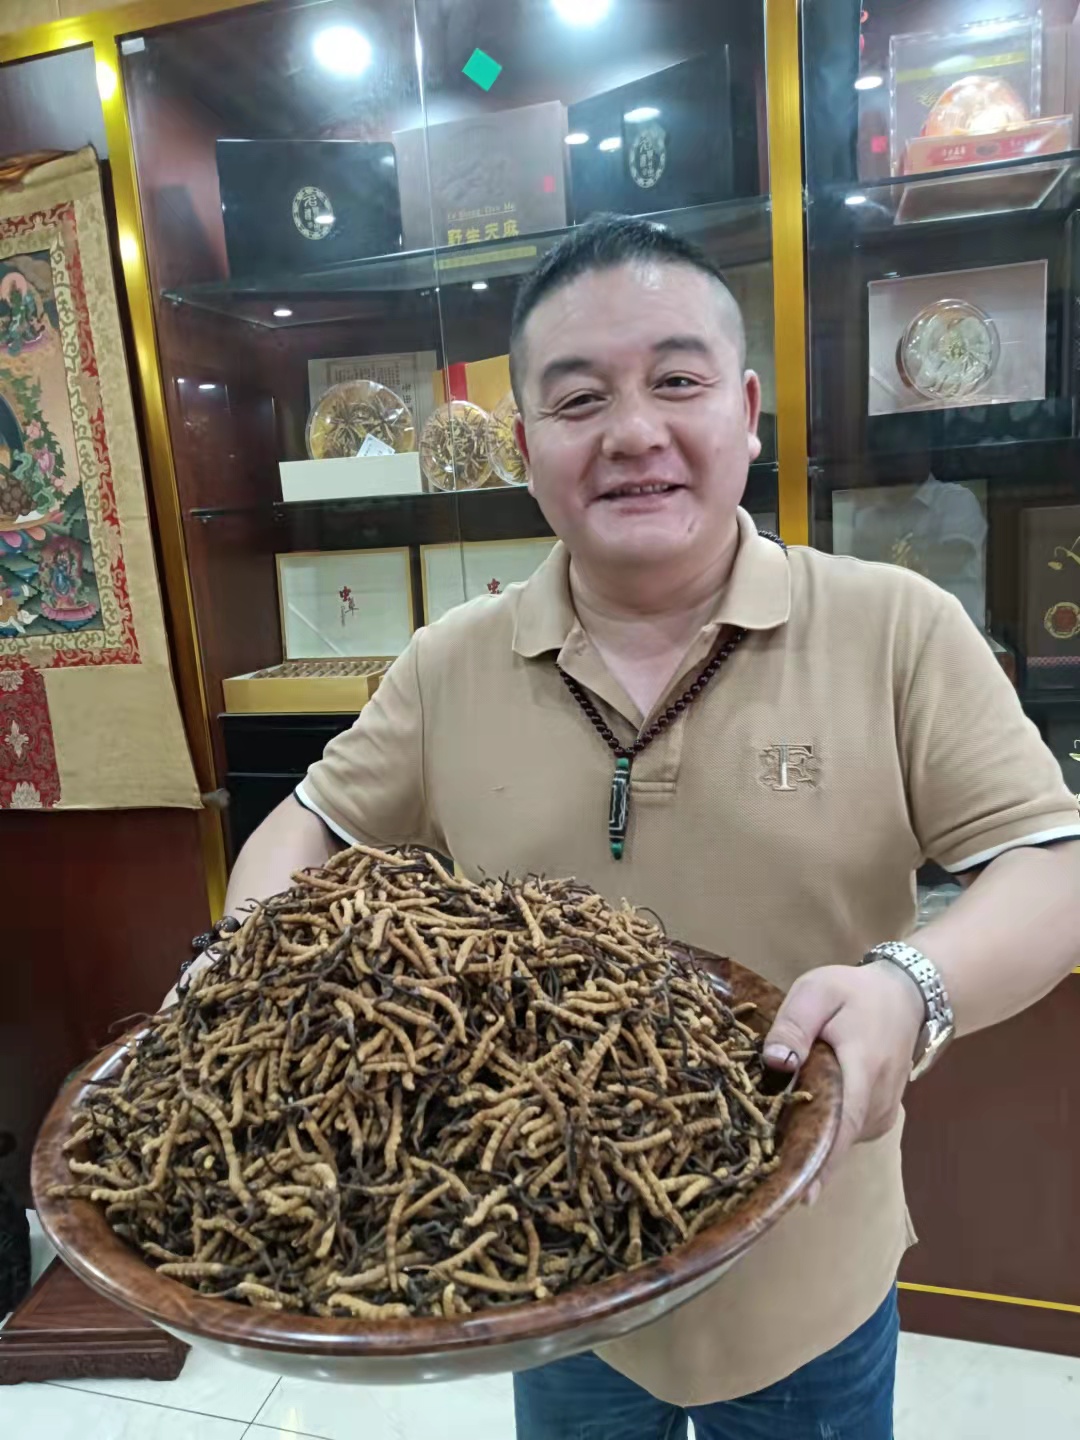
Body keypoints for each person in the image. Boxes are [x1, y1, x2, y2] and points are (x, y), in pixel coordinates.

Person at [197, 217, 1080, 1438]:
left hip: (806, 1273)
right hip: (548, 1276)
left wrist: (911, 988)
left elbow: (1052, 866)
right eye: (578, 399)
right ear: (524, 447)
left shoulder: (895, 628)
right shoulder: (450, 663)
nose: (632, 434)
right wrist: (249, 983)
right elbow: (307, 827)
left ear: (747, 411)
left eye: (677, 380)